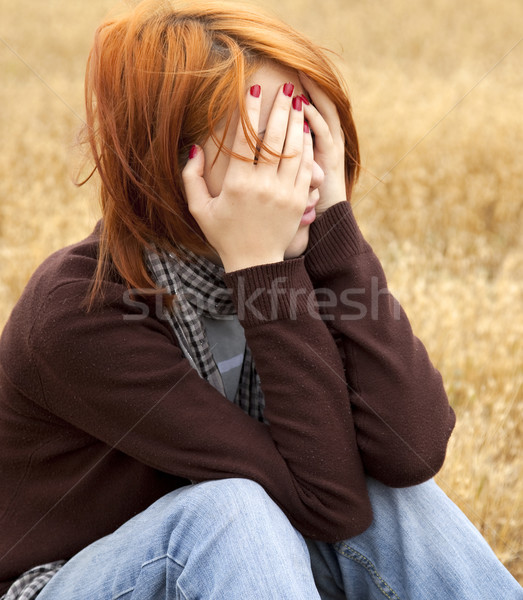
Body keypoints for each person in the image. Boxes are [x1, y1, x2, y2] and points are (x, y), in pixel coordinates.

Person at [0, 1, 521, 598]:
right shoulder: (78, 311)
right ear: (170, 167)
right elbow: (324, 504)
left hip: (244, 568)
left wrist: (336, 235)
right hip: (74, 580)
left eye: (305, 134)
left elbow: (413, 451)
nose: (300, 175)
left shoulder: (289, 259)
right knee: (231, 508)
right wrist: (260, 273)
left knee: (385, 488)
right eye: (265, 149)